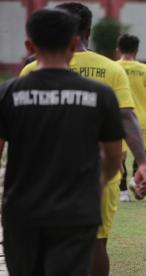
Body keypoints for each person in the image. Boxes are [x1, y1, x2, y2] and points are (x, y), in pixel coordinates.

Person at [20, 3, 146, 276]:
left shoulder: (31, 71)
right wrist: (142, 163)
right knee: (97, 243)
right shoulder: (111, 69)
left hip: (45, 177)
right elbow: (127, 118)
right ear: (88, 30)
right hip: (98, 173)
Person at [0, 8, 124, 275]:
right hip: (76, 212)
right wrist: (95, 185)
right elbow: (115, 157)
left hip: (22, 212)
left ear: (30, 46)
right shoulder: (100, 95)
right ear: (73, 43)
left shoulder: (8, 93)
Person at [116, 34, 146, 202]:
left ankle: (122, 192)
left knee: (119, 156)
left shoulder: (113, 68)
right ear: (136, 50)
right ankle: (136, 182)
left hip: (118, 118)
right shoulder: (145, 70)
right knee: (140, 154)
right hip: (140, 119)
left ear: (118, 50)